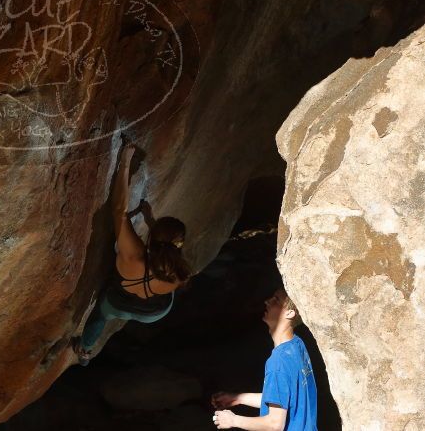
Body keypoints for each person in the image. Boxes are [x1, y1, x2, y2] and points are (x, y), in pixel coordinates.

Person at [71, 141, 192, 366]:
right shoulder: (179, 272)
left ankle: (85, 352)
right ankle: (85, 353)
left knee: (100, 315)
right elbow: (167, 249)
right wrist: (151, 222)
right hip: (154, 313)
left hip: (118, 304)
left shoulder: (132, 256)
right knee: (161, 279)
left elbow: (119, 211)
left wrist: (125, 163)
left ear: (153, 236)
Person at [211, 287, 318, 431]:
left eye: (276, 300)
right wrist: (238, 398)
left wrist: (233, 420)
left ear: (290, 313)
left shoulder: (278, 362)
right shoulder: (297, 345)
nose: (267, 301)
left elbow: (275, 424)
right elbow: (282, 398)